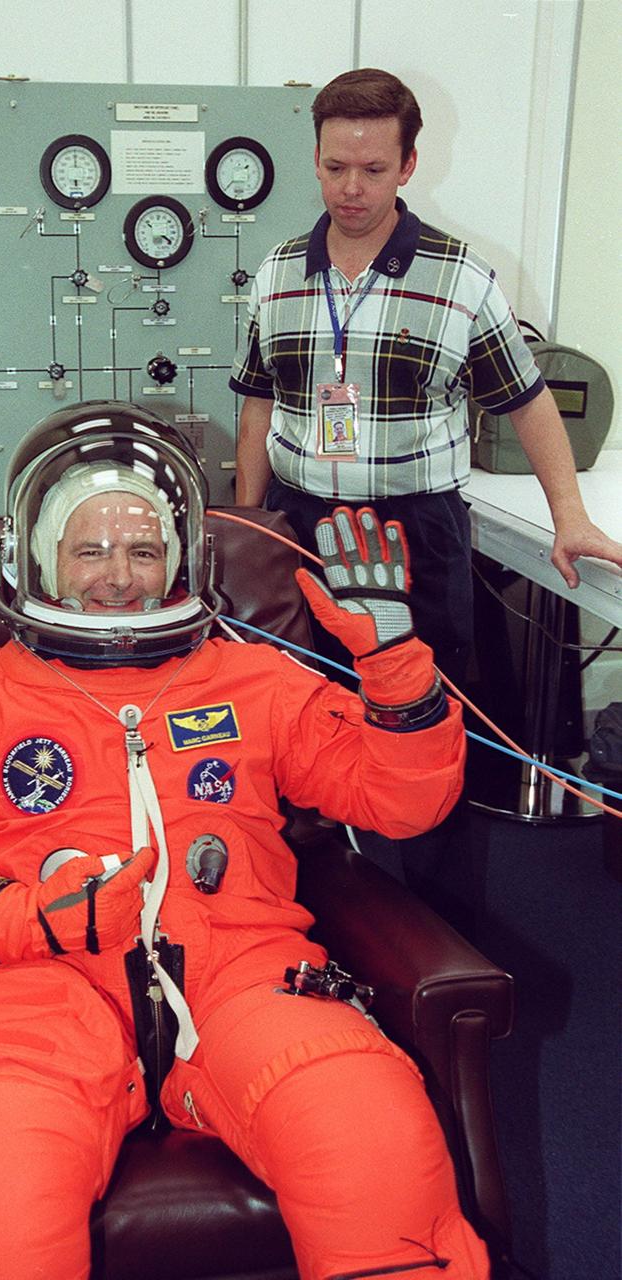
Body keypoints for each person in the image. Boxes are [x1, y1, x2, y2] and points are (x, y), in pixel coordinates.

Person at [0, 400, 489, 1280]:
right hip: (33, 988)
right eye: (90, 549)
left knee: (369, 1135)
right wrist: (20, 920)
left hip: (246, 977)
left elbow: (401, 801)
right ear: (37, 559)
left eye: (143, 550)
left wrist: (396, 666)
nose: (119, 577)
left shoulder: (256, 677)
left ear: (181, 562)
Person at [229, 67, 622, 922]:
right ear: (318, 159)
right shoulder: (276, 273)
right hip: (299, 522)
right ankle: (306, 906)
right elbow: (257, 404)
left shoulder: (460, 278)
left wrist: (572, 518)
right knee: (296, 708)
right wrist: (248, 523)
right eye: (336, 167)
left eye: (372, 169)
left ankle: (421, 918)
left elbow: (529, 402)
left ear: (409, 165)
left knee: (418, 718)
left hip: (416, 533)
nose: (352, 188)